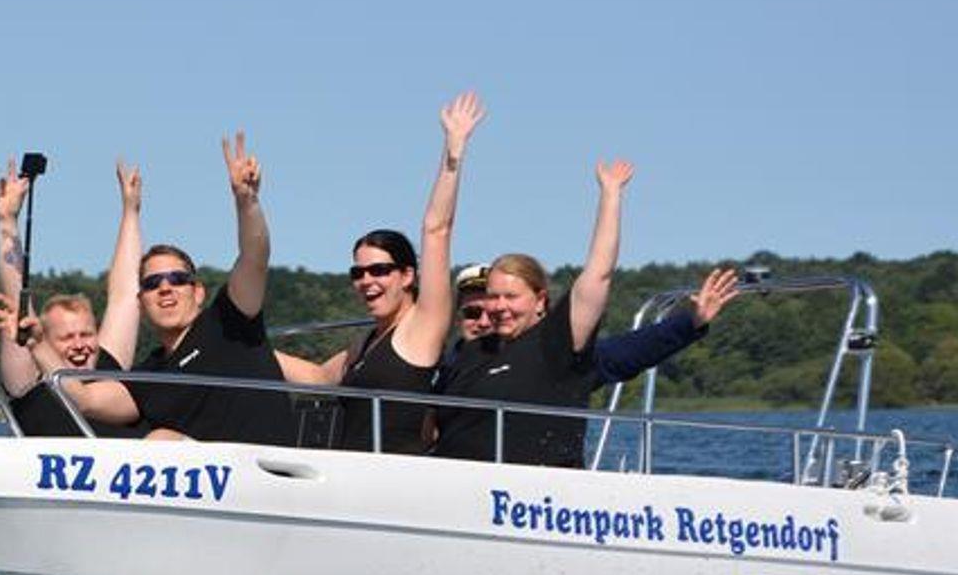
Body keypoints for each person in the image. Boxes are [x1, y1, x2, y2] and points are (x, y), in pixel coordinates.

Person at [0, 132, 294, 445]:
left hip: (273, 467)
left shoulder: (230, 322)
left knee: (161, 440)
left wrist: (247, 202)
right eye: (152, 284)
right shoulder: (147, 377)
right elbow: (85, 400)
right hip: (205, 473)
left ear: (198, 292)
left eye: (177, 279)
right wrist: (37, 344)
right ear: (142, 302)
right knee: (160, 440)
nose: (165, 288)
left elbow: (254, 257)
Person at [273, 91, 484, 454]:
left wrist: (453, 154)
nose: (366, 281)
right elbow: (320, 378)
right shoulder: (366, 342)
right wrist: (242, 346)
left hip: (396, 474)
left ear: (407, 276)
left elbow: (436, 230)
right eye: (358, 273)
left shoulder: (422, 327)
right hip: (351, 469)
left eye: (379, 270)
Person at [431, 158, 634, 466]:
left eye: (511, 297)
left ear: (540, 300)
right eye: (493, 296)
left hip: (530, 489)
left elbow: (598, 274)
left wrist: (610, 194)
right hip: (452, 481)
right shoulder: (472, 352)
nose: (500, 306)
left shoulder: (557, 342)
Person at [0, 157, 144, 437]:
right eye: (67, 337)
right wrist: (7, 222)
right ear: (44, 341)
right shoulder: (29, 382)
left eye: (86, 334)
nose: (80, 345)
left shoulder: (107, 367)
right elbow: (16, 297)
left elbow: (126, 294)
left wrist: (131, 211)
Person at [455, 262, 741, 384]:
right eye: (472, 313)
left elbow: (626, 352)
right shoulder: (443, 369)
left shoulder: (556, 359)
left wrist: (691, 321)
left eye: (496, 310)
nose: (484, 321)